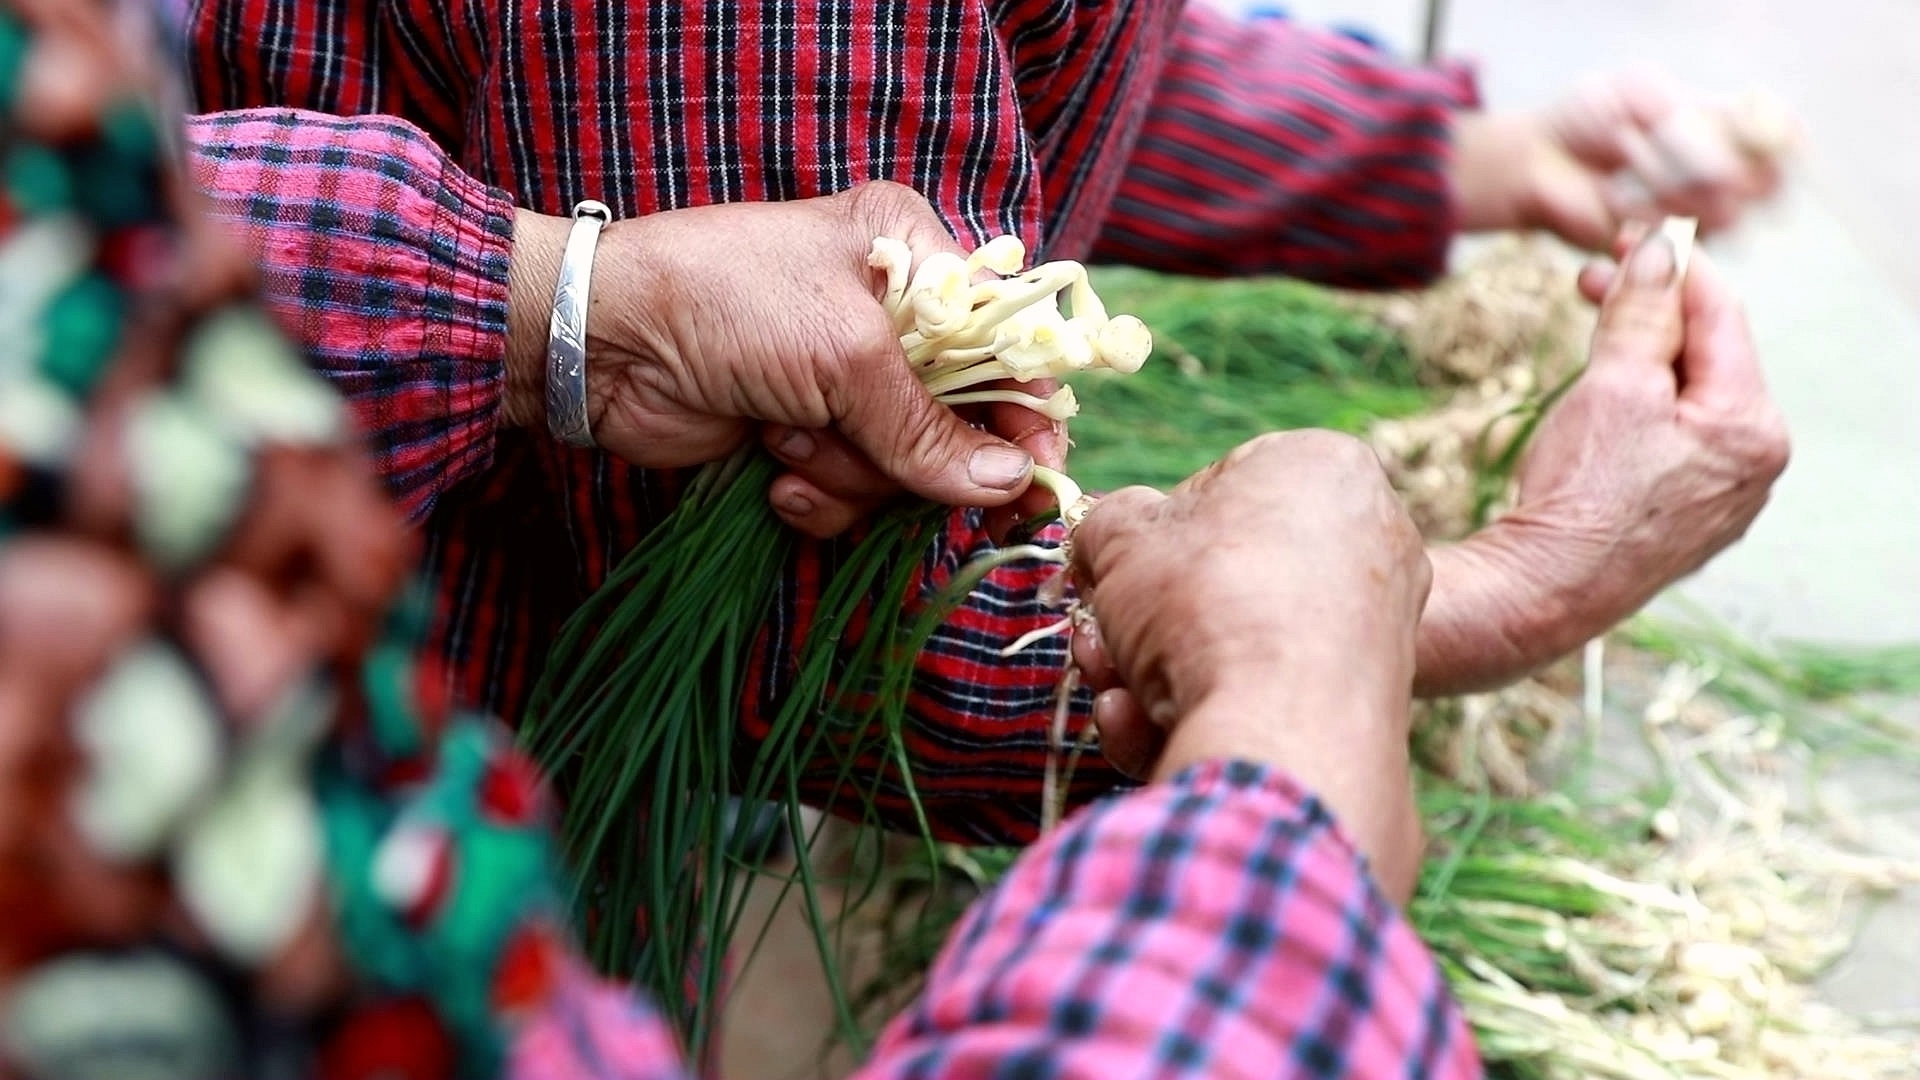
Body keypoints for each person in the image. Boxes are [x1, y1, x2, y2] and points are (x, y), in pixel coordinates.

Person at [5, 8, 1449, 1077]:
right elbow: (822, 660)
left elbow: (1090, 54)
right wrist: (1292, 711)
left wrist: (565, 305)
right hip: (488, 715)